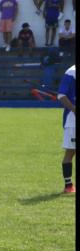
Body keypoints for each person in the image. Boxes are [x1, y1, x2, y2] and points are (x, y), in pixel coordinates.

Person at [58, 64, 76, 193]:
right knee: (70, 152)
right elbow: (61, 96)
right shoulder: (71, 72)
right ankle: (68, 186)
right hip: (72, 121)